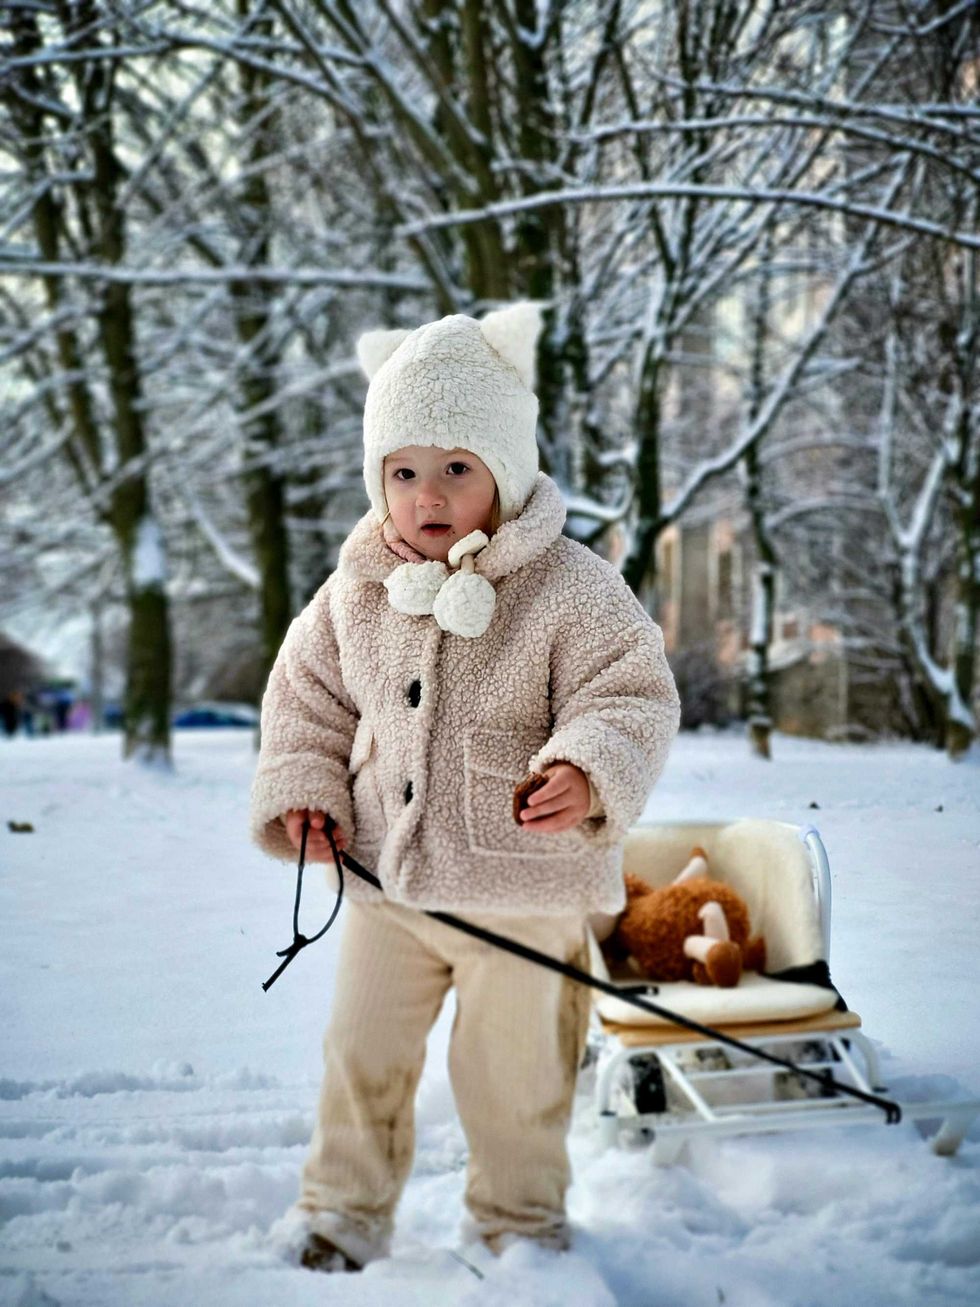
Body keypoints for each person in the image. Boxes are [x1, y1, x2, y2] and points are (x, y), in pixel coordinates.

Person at [250, 300, 680, 1272]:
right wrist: (305, 794)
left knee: (513, 1077)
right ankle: (338, 1213)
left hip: (524, 894)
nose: (426, 494)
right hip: (386, 888)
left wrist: (585, 766)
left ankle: (517, 1225)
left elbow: (630, 689)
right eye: (402, 471)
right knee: (359, 1058)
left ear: (506, 467)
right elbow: (305, 701)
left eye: (455, 467)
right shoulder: (352, 588)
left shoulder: (567, 582)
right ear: (377, 478)